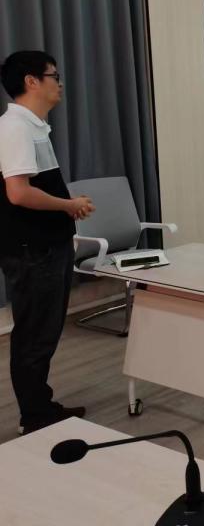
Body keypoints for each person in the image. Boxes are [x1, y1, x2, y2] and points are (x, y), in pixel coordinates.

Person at [0, 51, 93, 434]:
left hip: (47, 245)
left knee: (44, 331)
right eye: (54, 75)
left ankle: (40, 406)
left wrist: (66, 213)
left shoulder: (34, 126)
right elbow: (18, 193)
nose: (60, 83)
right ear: (31, 81)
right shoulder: (15, 128)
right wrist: (68, 206)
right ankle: (35, 417)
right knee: (34, 334)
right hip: (32, 249)